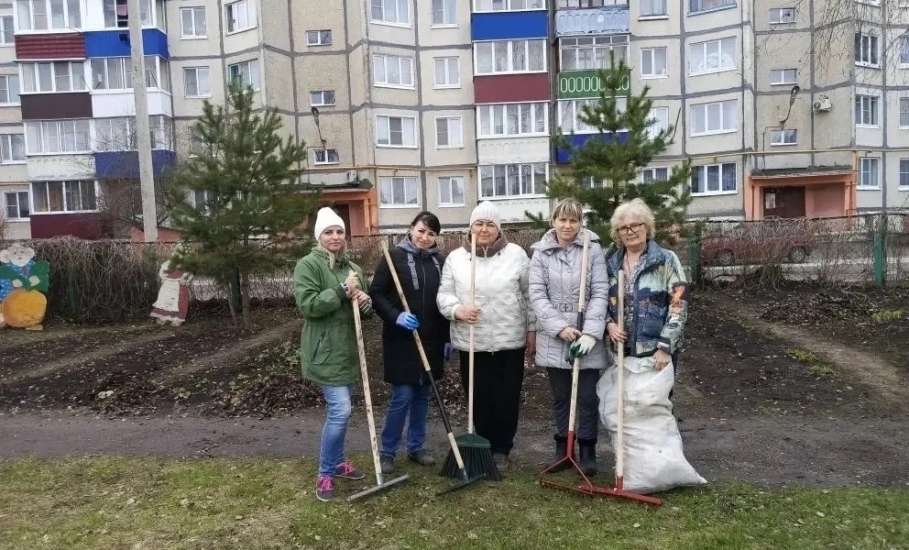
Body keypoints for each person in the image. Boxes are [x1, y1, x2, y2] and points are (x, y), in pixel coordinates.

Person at [436, 201, 536, 471]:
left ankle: (502, 448)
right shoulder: (456, 258)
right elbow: (444, 295)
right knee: (478, 396)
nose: (484, 229)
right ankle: (482, 445)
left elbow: (529, 295)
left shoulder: (516, 255)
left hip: (508, 339)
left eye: (490, 224)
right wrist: (457, 310)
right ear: (470, 227)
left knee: (507, 396)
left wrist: (532, 330)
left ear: (499, 229)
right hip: (473, 341)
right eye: (479, 223)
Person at [294, 206, 373, 502]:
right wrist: (340, 291)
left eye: (339, 231)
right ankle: (325, 472)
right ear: (319, 236)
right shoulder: (308, 265)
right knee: (341, 410)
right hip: (325, 351)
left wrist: (364, 301)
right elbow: (308, 306)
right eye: (329, 232)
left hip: (348, 351)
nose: (335, 236)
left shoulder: (353, 269)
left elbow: (365, 312)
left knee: (341, 411)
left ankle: (338, 463)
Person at [528, 199, 609, 476]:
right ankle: (563, 450)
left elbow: (600, 292)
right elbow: (537, 295)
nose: (567, 225)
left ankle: (587, 450)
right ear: (553, 221)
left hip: (586, 335)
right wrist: (560, 327)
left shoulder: (592, 250)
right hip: (555, 337)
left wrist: (590, 334)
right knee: (562, 396)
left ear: (580, 223)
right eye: (562, 220)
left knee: (587, 397)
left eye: (573, 220)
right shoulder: (541, 253)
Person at [369, 211, 450, 475]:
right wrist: (396, 316)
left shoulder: (440, 262)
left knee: (423, 395)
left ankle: (416, 447)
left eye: (431, 233)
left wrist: (447, 338)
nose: (425, 237)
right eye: (421, 231)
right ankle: (388, 451)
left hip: (431, 339)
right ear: (411, 228)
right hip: (401, 340)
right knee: (402, 395)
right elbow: (376, 294)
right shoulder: (393, 257)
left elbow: (446, 302)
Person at [605, 198, 688, 378]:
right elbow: (599, 300)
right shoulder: (610, 264)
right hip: (619, 353)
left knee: (654, 397)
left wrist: (665, 346)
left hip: (656, 353)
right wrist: (609, 324)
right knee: (621, 397)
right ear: (618, 233)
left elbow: (678, 305)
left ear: (647, 227)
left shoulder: (666, 260)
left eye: (635, 225)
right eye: (623, 228)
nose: (630, 231)